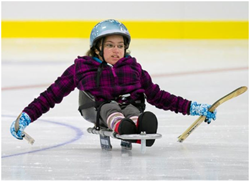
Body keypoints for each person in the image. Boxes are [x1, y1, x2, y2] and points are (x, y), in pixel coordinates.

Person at [10, 19, 216, 147]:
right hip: (96, 108)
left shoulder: (133, 68)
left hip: (129, 106)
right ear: (97, 48)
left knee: (132, 110)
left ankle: (136, 125)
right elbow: (51, 95)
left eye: (120, 45)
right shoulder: (81, 68)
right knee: (110, 107)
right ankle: (122, 126)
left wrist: (193, 107)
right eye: (110, 45)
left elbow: (158, 96)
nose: (116, 50)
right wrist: (26, 117)